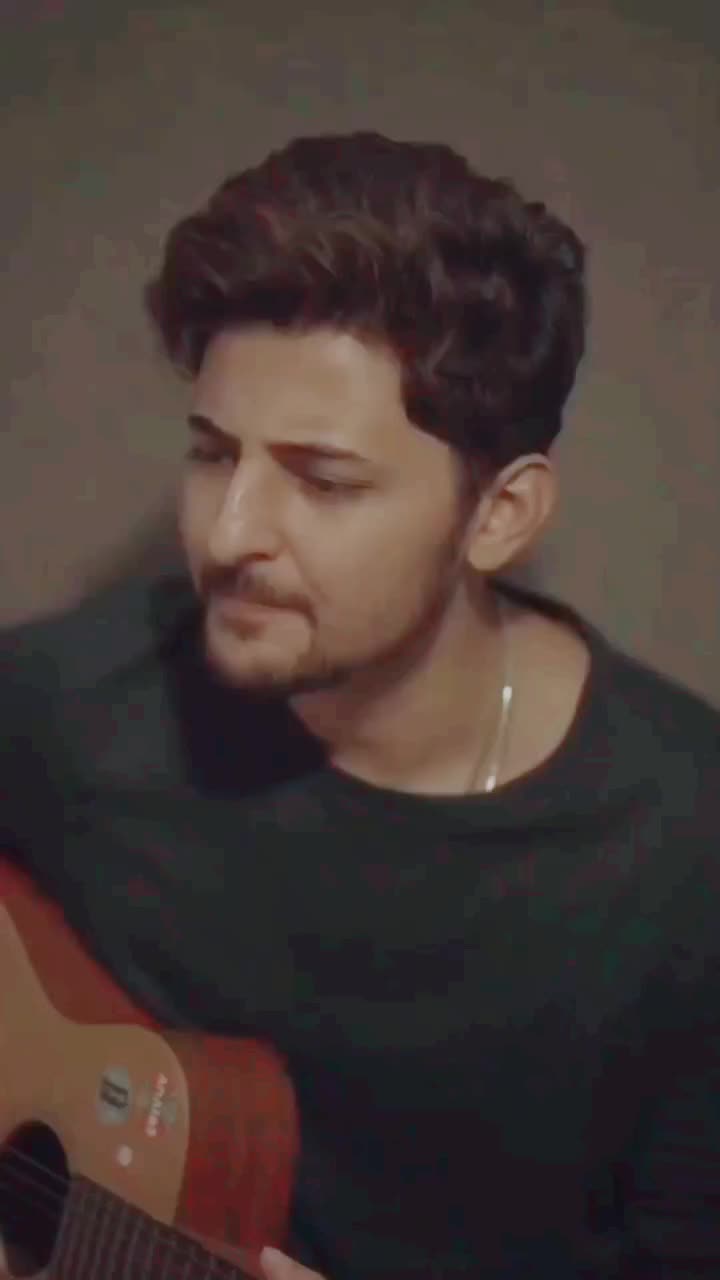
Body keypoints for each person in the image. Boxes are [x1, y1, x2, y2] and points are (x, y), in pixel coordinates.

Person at [2, 130, 720, 1280]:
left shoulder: (685, 855)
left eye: (322, 480)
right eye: (212, 454)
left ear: (499, 515)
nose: (229, 533)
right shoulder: (74, 705)